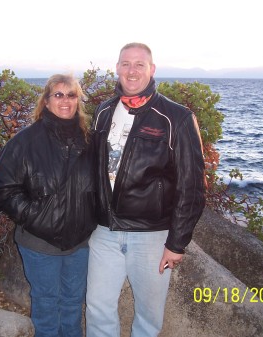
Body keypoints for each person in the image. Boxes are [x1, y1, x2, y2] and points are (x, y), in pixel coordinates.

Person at [86, 42, 206, 337]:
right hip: (104, 232)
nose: (132, 70)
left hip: (151, 236)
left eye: (140, 64)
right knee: (97, 309)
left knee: (149, 318)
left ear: (152, 70)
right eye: (126, 63)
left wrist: (177, 243)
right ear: (117, 68)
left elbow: (192, 186)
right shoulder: (102, 112)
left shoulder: (176, 117)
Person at [0, 74, 97, 337]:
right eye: (58, 94)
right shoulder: (25, 141)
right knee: (47, 306)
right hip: (39, 242)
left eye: (71, 95)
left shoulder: (90, 140)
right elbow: (2, 188)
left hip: (79, 243)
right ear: (46, 101)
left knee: (73, 304)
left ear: (78, 100)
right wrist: (38, 217)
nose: (65, 100)